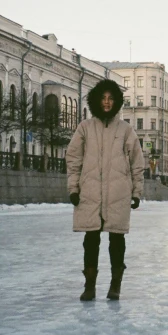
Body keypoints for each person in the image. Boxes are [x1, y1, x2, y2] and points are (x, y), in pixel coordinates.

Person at [66, 79, 144, 301]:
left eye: (111, 98)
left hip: (118, 194)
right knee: (91, 240)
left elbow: (137, 164)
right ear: (96, 100)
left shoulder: (126, 130)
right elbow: (73, 160)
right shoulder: (85, 128)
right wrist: (73, 188)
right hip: (90, 193)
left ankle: (115, 285)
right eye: (103, 98)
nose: (107, 102)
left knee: (116, 241)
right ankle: (89, 286)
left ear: (116, 101)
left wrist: (137, 192)